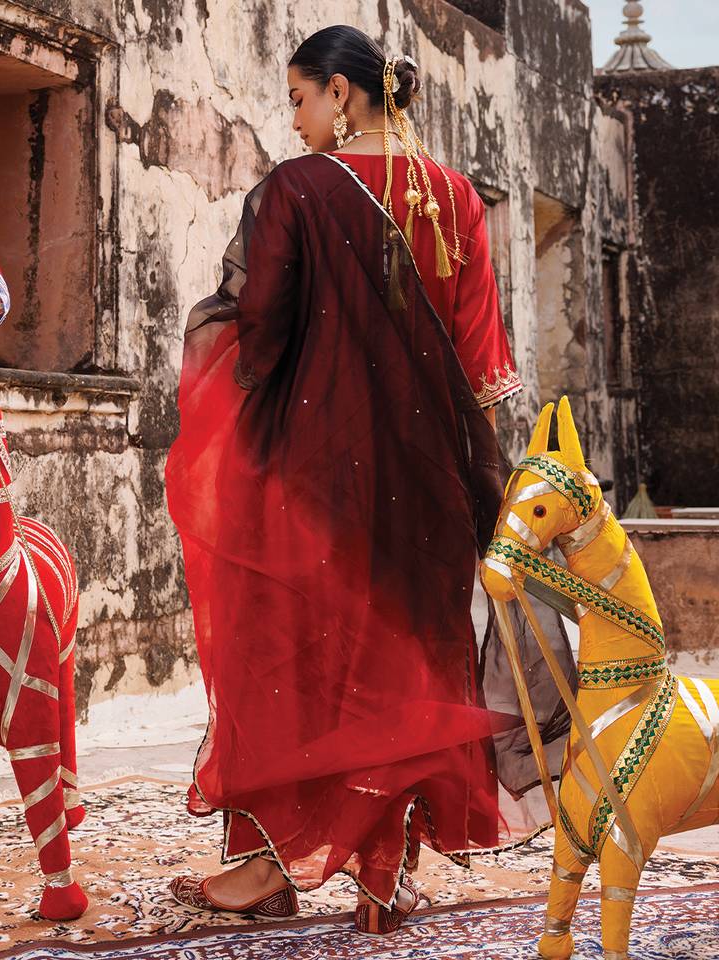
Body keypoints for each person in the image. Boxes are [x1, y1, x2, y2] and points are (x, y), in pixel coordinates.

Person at [165, 24, 528, 935]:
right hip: (433, 479)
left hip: (312, 470)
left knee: (285, 648)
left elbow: (260, 331)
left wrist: (216, 357)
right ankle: (388, 870)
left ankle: (264, 868)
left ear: (340, 92)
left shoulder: (293, 190)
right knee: (412, 656)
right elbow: (484, 364)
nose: (293, 121)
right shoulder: (454, 198)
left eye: (297, 98)